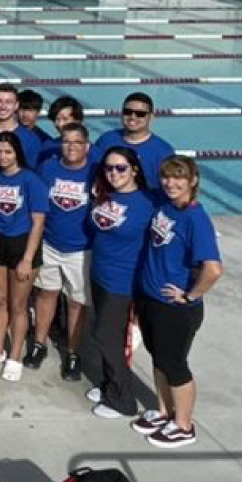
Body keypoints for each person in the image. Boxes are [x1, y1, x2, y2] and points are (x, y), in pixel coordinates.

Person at [132, 156, 223, 448]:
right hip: (151, 298)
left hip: (176, 309)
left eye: (178, 177)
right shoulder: (166, 206)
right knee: (159, 358)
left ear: (193, 181)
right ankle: (163, 412)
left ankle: (183, 425)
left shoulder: (196, 218)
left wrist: (189, 295)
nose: (171, 183)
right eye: (167, 177)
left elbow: (213, 269)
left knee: (175, 365)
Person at [86, 145, 154, 421]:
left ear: (135, 170)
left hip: (123, 283)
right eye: (109, 168)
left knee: (108, 337)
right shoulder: (106, 195)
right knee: (106, 335)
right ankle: (108, 384)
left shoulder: (148, 204)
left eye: (121, 168)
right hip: (99, 274)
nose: (113, 173)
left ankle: (123, 400)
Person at [0, 132, 49, 383]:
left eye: (7, 151)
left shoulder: (31, 180)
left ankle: (15, 356)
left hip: (22, 245)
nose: (2, 156)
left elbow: (38, 222)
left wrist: (27, 258)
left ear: (17, 152)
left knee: (18, 305)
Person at [29, 122, 99, 380]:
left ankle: (72, 353)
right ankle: (39, 344)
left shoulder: (96, 172)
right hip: (49, 244)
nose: (71, 147)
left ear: (87, 146)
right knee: (46, 295)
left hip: (82, 249)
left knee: (76, 304)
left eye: (77, 142)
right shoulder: (48, 168)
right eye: (66, 142)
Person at [94, 92, 176, 187]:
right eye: (128, 112)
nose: (133, 117)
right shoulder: (106, 140)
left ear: (151, 117)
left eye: (140, 114)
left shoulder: (163, 151)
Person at [0, 83, 44, 165]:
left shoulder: (31, 139)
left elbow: (31, 173)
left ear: (16, 105)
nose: (3, 106)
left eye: (8, 102)